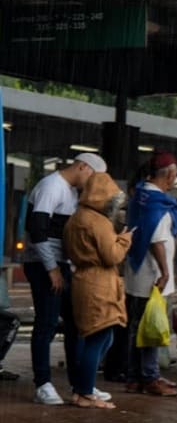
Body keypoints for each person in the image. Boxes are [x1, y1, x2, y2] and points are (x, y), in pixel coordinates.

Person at [23, 152, 106, 405]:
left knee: (76, 322)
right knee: (46, 322)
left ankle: (81, 384)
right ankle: (43, 384)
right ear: (82, 167)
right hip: (42, 264)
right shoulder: (51, 187)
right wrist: (52, 269)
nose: (93, 184)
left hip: (60, 264)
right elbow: (37, 230)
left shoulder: (71, 192)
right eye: (92, 177)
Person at [62, 172, 132, 409]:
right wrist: (124, 240)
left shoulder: (75, 219)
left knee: (102, 337)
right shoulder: (98, 221)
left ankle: (83, 389)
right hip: (99, 283)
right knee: (98, 338)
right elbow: (111, 255)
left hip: (82, 279)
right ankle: (84, 393)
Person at [123, 151, 177, 397]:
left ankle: (135, 376)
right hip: (153, 274)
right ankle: (150, 377)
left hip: (136, 274)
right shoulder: (156, 202)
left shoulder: (139, 196)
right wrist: (166, 271)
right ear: (168, 175)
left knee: (137, 326)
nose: (175, 180)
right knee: (153, 325)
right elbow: (156, 239)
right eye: (175, 175)